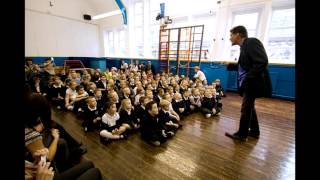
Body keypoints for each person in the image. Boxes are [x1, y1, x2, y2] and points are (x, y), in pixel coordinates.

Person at [225, 25, 272, 141]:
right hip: (250, 83)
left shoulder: (252, 42)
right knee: (249, 107)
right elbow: (245, 66)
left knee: (246, 109)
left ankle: (242, 134)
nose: (230, 38)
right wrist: (230, 65)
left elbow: (262, 61)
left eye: (231, 35)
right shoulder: (244, 47)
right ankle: (255, 131)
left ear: (238, 34)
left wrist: (247, 78)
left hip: (253, 83)